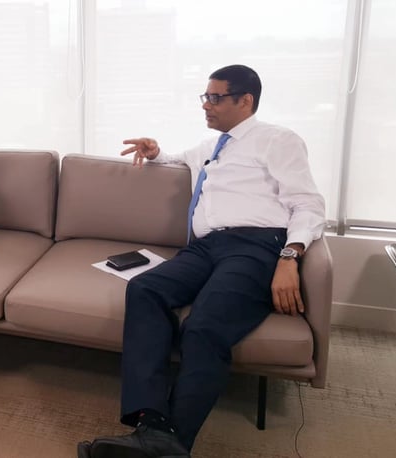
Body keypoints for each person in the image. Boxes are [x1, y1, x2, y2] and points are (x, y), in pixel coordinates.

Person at [77, 65, 325, 457]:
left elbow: (308, 203)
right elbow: (174, 160)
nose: (206, 105)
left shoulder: (278, 140)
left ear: (245, 100)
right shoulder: (211, 147)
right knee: (145, 288)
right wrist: (155, 152)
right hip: (205, 248)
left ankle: (170, 442)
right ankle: (152, 422)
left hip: (256, 246)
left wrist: (289, 257)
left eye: (215, 97)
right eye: (204, 97)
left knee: (204, 326)